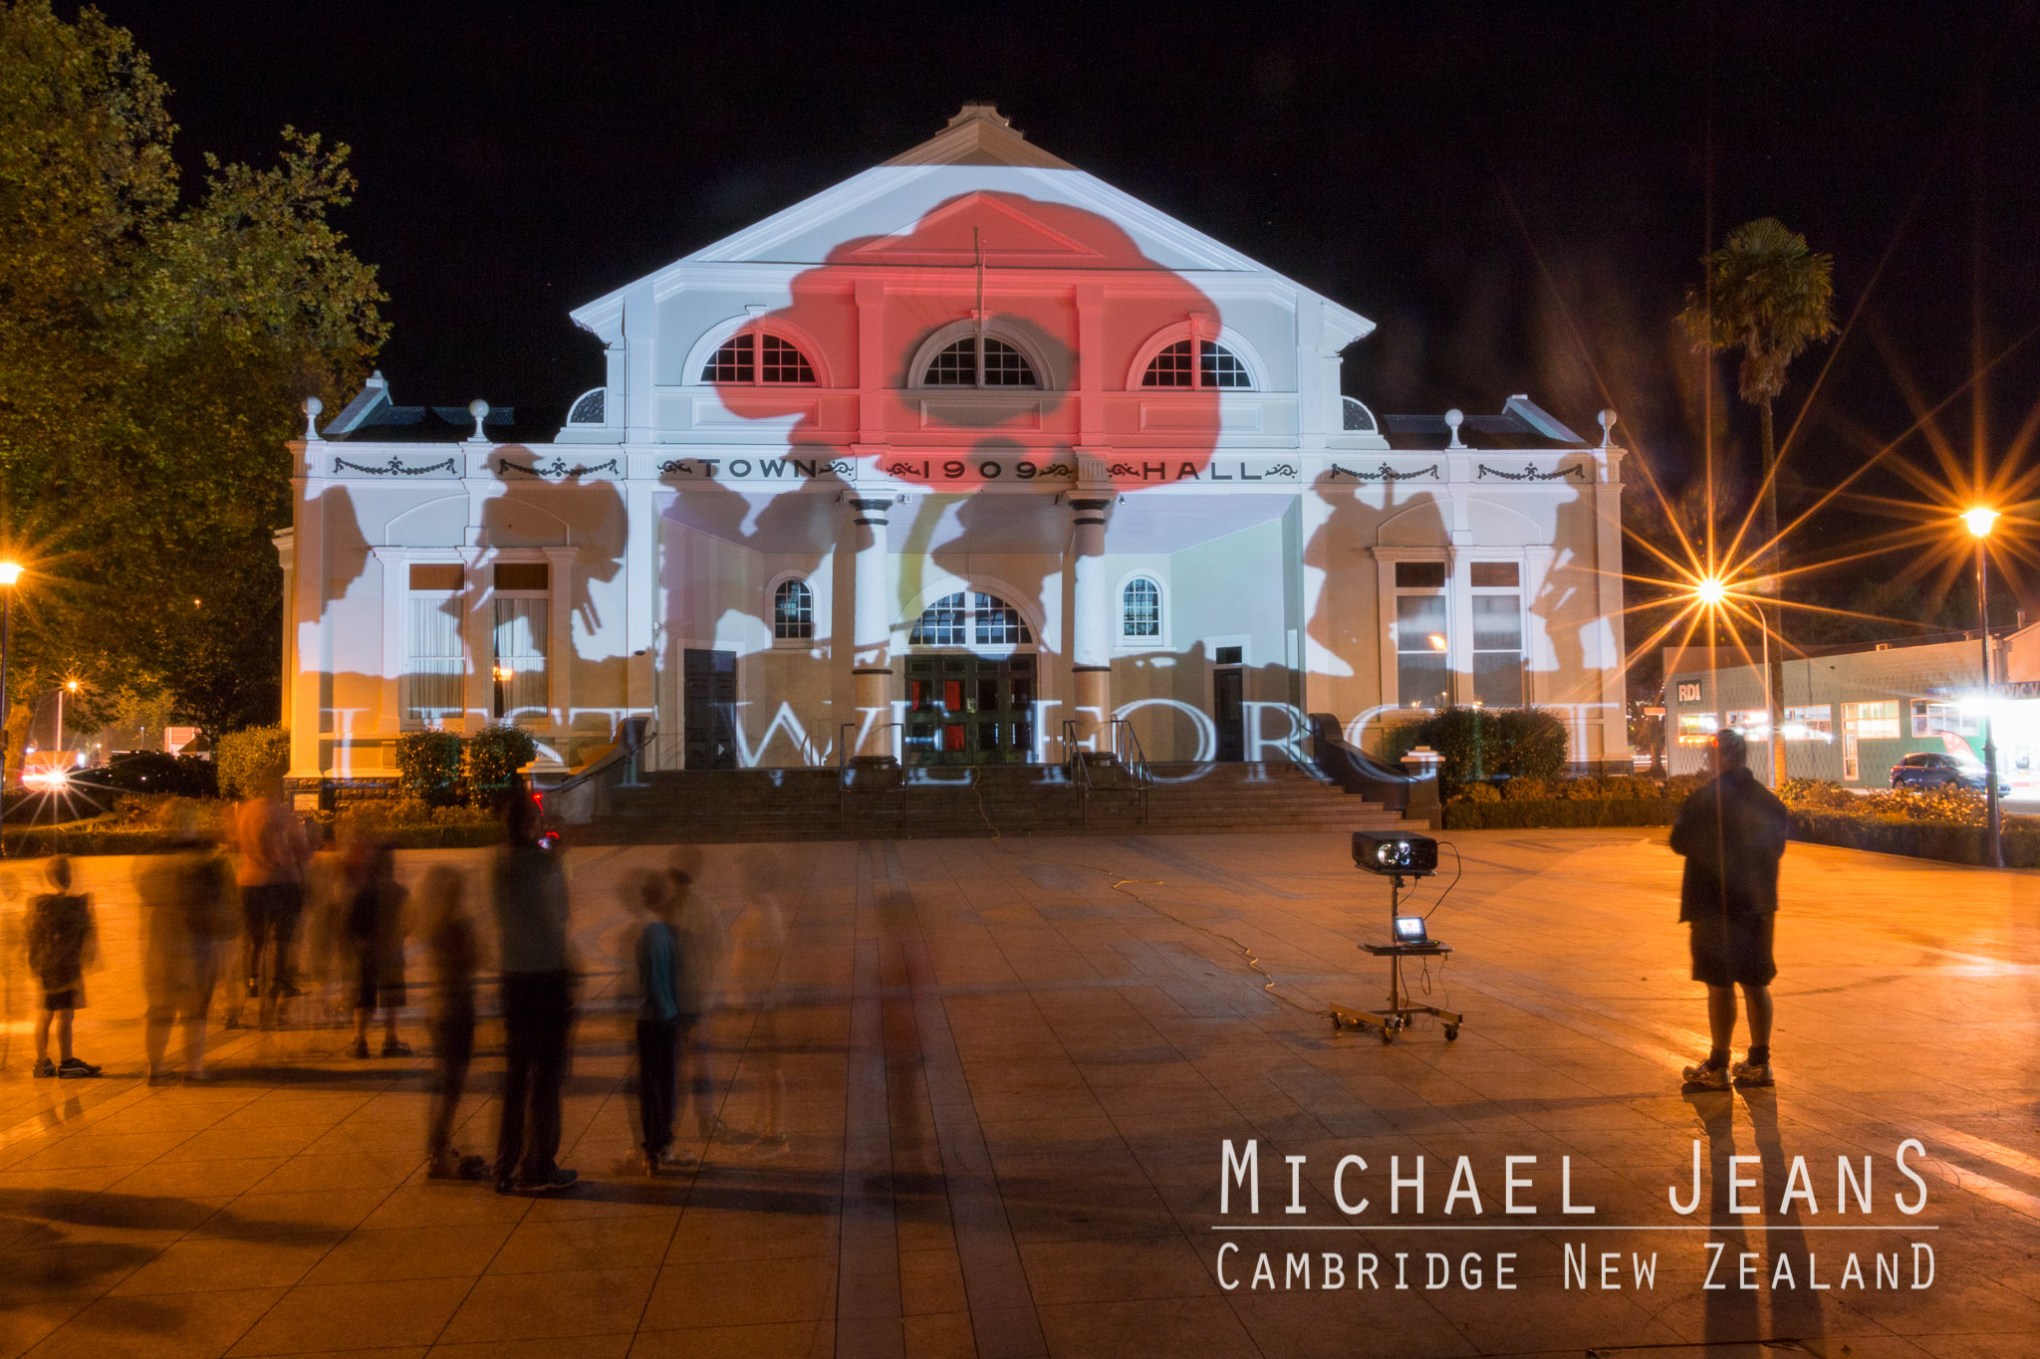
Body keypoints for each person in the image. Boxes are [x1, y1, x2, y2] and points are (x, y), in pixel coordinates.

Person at [1669, 727, 1791, 1091]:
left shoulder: (1704, 801)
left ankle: (1719, 1065)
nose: (1706, 762)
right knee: (1756, 982)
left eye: (1709, 755)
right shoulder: (1771, 803)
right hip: (1758, 906)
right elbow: (1778, 848)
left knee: (1719, 985)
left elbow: (1678, 842)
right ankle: (1759, 1062)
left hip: (1714, 907)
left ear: (1722, 757)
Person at [491, 789, 577, 1193]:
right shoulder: (542, 866)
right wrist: (556, 860)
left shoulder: (498, 865)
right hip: (546, 974)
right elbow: (560, 914)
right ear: (531, 824)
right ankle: (538, 1165)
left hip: (513, 974)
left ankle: (504, 1163)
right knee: (545, 1076)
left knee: (515, 1074)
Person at [137, 823, 237, 1082]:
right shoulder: (209, 863)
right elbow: (226, 903)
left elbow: (145, 895)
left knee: (160, 1007)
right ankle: (194, 1068)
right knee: (195, 1008)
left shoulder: (155, 862)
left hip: (162, 941)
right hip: (197, 942)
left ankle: (155, 1068)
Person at [420, 865, 488, 1179]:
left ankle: (440, 1146)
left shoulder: (433, 925)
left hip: (437, 1009)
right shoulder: (459, 926)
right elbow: (478, 959)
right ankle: (438, 1151)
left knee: (443, 1083)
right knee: (452, 1087)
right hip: (458, 1009)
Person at [233, 789, 313, 1011]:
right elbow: (303, 850)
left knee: (254, 937)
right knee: (281, 939)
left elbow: (235, 842)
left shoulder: (244, 812)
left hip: (249, 883)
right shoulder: (283, 813)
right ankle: (278, 983)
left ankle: (252, 980)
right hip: (283, 882)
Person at [27, 857, 101, 1078]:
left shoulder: (39, 905)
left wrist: (36, 963)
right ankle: (67, 1061)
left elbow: (32, 937)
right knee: (65, 1015)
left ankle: (42, 1061)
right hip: (66, 969)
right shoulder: (75, 905)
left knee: (45, 1013)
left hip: (45, 968)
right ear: (68, 877)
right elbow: (85, 933)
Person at [630, 869, 682, 1173]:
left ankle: (652, 1149)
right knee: (666, 1080)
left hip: (649, 1016)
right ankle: (663, 1143)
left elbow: (644, 977)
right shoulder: (668, 932)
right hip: (668, 1014)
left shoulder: (644, 932)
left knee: (650, 1085)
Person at [344, 840, 412, 1059]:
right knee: (391, 996)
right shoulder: (400, 892)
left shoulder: (363, 893)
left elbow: (352, 925)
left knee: (364, 996)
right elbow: (410, 922)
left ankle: (360, 1041)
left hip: (368, 953)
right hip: (392, 951)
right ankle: (390, 1039)